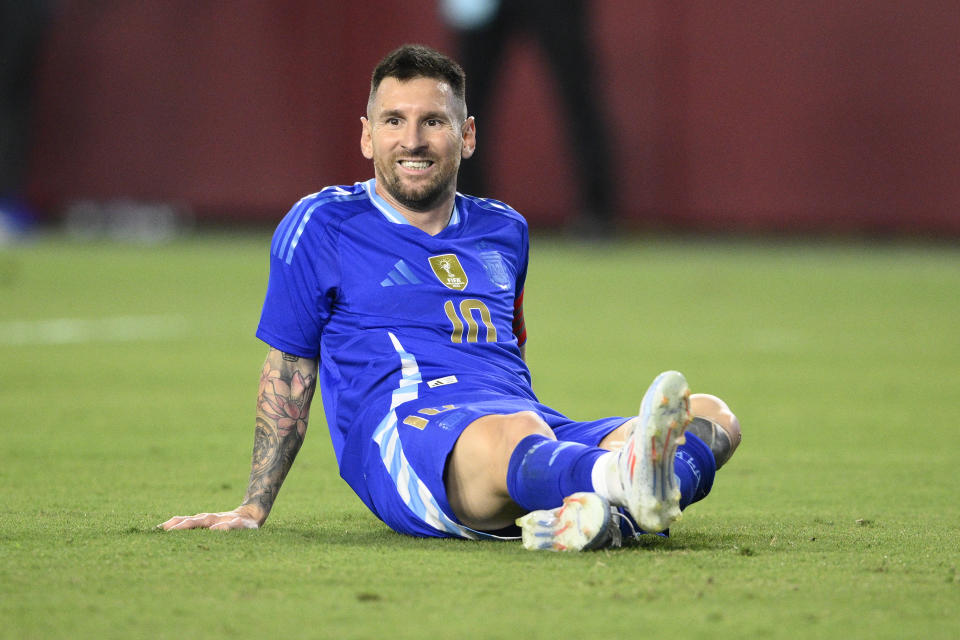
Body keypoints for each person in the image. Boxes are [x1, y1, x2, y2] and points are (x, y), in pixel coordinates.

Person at [160, 44, 741, 551]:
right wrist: (253, 505)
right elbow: (289, 368)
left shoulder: (504, 229)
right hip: (408, 434)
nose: (412, 140)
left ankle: (604, 511)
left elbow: (511, 352)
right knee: (517, 433)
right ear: (366, 135)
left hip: (520, 420)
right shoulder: (321, 224)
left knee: (713, 418)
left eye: (433, 122)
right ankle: (624, 486)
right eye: (393, 121)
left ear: (466, 136)